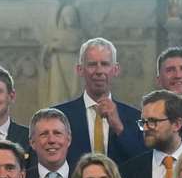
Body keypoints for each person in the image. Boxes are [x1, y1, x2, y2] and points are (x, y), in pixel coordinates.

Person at [53, 36, 145, 164]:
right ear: (80, 70)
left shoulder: (135, 117)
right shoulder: (60, 116)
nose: (99, 71)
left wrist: (119, 127)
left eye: (105, 64)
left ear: (116, 69)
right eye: (92, 64)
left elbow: (143, 162)